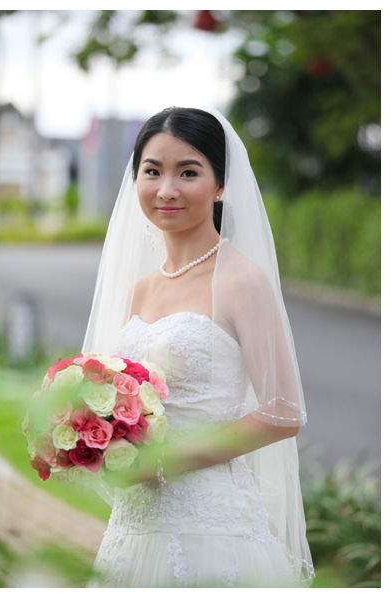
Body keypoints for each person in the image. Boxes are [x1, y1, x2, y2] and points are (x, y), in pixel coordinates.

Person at [83, 107, 314, 587]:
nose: (166, 190)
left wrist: (163, 462)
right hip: (134, 523)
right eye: (152, 171)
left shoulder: (241, 281)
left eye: (188, 172)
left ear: (221, 185)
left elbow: (284, 411)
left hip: (213, 523)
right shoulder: (142, 288)